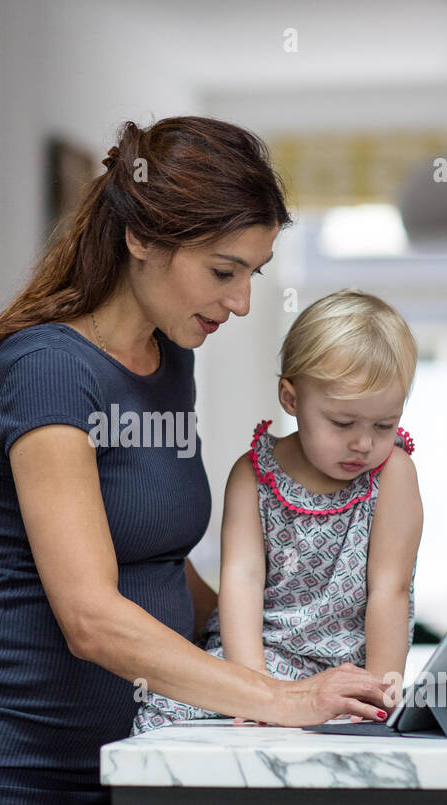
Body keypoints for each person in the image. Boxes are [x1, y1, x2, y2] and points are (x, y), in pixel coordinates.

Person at [0, 117, 396, 805]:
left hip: (136, 761)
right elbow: (93, 619)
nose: (241, 304)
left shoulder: (168, 362)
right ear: (141, 239)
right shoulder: (44, 371)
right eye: (224, 271)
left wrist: (305, 634)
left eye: (253, 275)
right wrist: (280, 699)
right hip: (4, 783)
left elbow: (162, 566)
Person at [131, 289, 424, 737]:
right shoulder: (253, 473)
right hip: (259, 657)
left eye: (383, 425)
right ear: (291, 398)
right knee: (161, 713)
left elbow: (391, 590)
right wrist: (254, 690)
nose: (364, 443)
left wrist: (380, 695)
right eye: (343, 423)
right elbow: (242, 581)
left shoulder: (392, 474)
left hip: (346, 668)